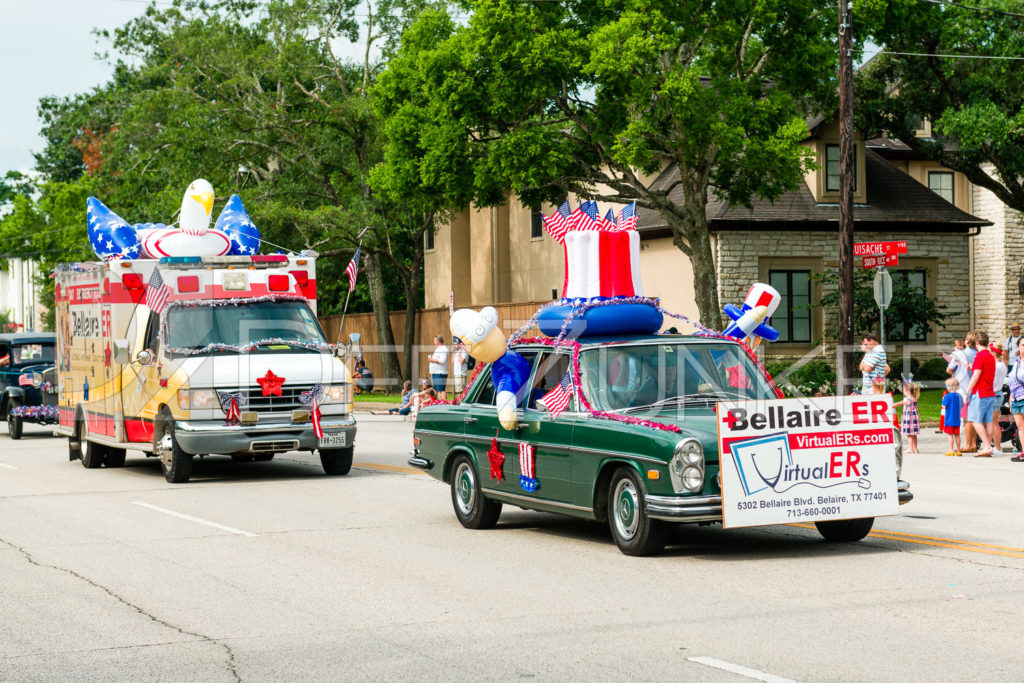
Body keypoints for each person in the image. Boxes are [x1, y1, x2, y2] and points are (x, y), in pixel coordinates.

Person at [965, 331, 997, 457]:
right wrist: (972, 367)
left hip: (980, 392)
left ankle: (987, 446)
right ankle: (987, 446)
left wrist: (967, 391)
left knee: (974, 420)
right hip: (990, 392)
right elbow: (983, 371)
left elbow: (976, 376)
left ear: (976, 343)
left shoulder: (980, 356)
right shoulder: (990, 356)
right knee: (988, 421)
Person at [1007, 338, 1024, 462]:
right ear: (1018, 347)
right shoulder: (1017, 362)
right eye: (1023, 345)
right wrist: (1010, 398)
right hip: (1016, 399)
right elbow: (1012, 382)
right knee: (1021, 427)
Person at [989, 342, 1008, 454]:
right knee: (994, 422)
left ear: (993, 352)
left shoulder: (995, 365)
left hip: (994, 393)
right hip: (998, 393)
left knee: (993, 422)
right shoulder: (1002, 365)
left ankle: (997, 447)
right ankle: (996, 447)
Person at [895, 381, 921, 454]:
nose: (903, 392)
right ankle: (915, 449)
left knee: (909, 434)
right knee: (914, 434)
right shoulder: (915, 398)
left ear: (907, 391)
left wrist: (892, 405)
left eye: (903, 390)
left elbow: (899, 403)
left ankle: (910, 449)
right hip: (914, 418)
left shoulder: (907, 399)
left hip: (909, 418)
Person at [942, 378, 964, 456]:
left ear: (951, 386)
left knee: (950, 435)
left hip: (949, 420)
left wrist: (943, 400)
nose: (946, 387)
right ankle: (958, 451)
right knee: (957, 435)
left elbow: (943, 406)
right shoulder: (959, 396)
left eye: (947, 386)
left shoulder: (947, 396)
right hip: (957, 420)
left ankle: (951, 450)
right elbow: (961, 406)